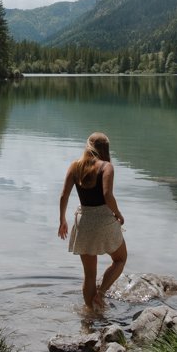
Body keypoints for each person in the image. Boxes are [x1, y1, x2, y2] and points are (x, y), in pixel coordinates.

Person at [58, 132, 127, 310]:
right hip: (104, 219)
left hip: (85, 221)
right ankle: (101, 294)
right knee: (120, 259)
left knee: (89, 275)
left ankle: (89, 316)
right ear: (106, 148)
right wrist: (118, 214)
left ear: (88, 146)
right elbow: (107, 195)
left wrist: (62, 220)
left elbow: (64, 195)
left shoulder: (75, 166)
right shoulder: (106, 167)